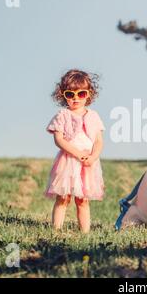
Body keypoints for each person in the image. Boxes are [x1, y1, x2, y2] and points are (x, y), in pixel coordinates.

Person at [44, 69, 105, 233]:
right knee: (63, 198)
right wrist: (77, 154)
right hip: (69, 161)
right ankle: (56, 231)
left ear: (89, 94)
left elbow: (99, 141)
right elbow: (59, 139)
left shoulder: (93, 116)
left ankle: (85, 233)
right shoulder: (62, 115)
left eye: (81, 93)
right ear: (63, 95)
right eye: (70, 94)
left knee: (83, 200)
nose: (76, 98)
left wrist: (93, 156)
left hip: (88, 163)